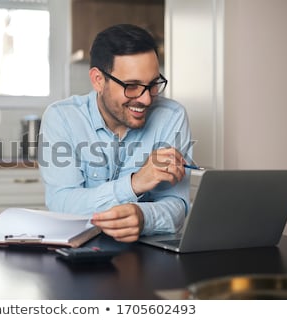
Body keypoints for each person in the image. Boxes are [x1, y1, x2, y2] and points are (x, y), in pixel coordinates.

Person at [38, 24, 192, 243]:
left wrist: (143, 217)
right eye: (132, 86)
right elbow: (62, 204)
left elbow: (177, 204)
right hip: (78, 254)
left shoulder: (172, 116)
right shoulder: (61, 117)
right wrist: (133, 184)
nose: (146, 99)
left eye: (153, 84)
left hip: (147, 256)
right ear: (98, 80)